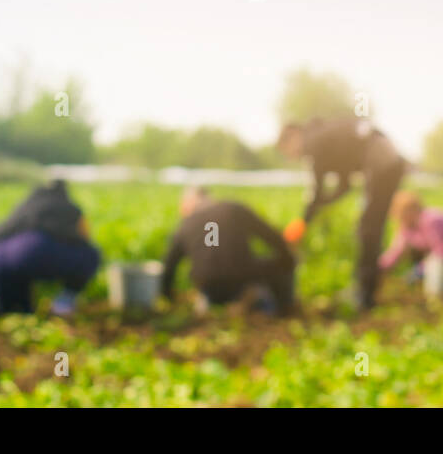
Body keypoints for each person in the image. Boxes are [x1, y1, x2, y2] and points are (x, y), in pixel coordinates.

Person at [276, 116, 408, 309]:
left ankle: (364, 296)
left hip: (380, 160)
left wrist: (302, 224)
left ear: (294, 135)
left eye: (289, 151)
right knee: (371, 226)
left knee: (369, 228)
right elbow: (344, 185)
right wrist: (322, 204)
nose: (294, 156)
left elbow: (317, 191)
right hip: (390, 160)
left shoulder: (313, 142)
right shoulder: (325, 136)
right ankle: (365, 290)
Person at [160, 187, 296, 315]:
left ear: (187, 205)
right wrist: (288, 257)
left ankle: (209, 302)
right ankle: (281, 308)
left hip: (207, 286)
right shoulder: (232, 209)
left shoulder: (185, 223)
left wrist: (167, 296)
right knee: (282, 263)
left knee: (212, 286)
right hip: (241, 280)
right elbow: (270, 235)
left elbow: (169, 266)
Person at [0, 178, 101, 315]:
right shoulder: (67, 206)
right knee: (91, 255)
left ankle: (4, 309)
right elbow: (85, 236)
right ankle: (62, 306)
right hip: (32, 251)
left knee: (15, 312)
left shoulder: (25, 206)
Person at [379, 189, 443, 286]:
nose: (397, 218)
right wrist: (378, 268)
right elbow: (396, 251)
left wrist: (421, 269)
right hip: (437, 258)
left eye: (399, 213)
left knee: (439, 292)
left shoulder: (432, 220)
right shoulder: (407, 227)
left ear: (410, 210)